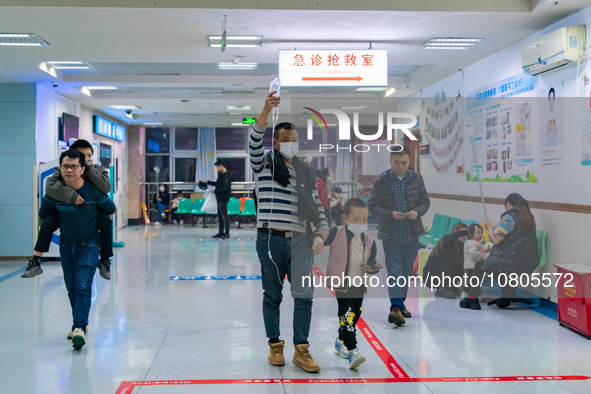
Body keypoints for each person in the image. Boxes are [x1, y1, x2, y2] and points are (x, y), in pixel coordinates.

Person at [249, 91, 329, 373]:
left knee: (304, 296)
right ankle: (275, 346)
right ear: (275, 142)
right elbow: (253, 141)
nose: (290, 145)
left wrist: (321, 232)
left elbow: (318, 207)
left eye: (294, 141)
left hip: (302, 241)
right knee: (272, 296)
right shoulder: (264, 164)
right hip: (270, 239)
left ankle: (301, 350)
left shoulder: (307, 172)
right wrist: (265, 110)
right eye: (284, 140)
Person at [39, 149, 116, 349]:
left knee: (83, 285)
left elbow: (110, 208)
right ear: (60, 168)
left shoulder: (92, 190)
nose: (69, 170)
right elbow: (43, 214)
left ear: (83, 169)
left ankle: (79, 327)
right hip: (66, 245)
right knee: (72, 288)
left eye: (74, 166)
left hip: (89, 245)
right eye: (66, 166)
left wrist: (101, 224)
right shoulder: (56, 191)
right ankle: (80, 323)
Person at [22, 139, 114, 280]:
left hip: (92, 209)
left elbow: (106, 187)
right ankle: (35, 261)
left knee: (106, 223)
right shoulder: (63, 170)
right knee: (48, 222)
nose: (87, 158)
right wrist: (71, 195)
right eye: (84, 155)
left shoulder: (97, 170)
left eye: (89, 155)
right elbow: (51, 186)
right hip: (67, 210)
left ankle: (105, 260)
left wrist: (89, 170)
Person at [368, 146, 430, 325]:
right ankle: (395, 308)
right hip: (391, 234)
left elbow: (425, 202)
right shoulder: (382, 181)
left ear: (409, 162)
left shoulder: (416, 179)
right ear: (390, 162)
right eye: (397, 163)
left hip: (411, 233)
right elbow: (373, 205)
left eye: (404, 163)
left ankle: (400, 306)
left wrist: (417, 212)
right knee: (394, 271)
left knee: (406, 272)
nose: (401, 167)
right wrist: (390, 214)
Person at [317, 198, 381, 369]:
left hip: (359, 284)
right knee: (347, 315)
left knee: (355, 314)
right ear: (345, 218)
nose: (361, 223)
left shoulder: (369, 240)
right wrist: (317, 239)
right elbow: (322, 235)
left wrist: (373, 268)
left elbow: (372, 260)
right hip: (342, 284)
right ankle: (353, 350)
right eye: (356, 219)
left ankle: (340, 341)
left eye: (365, 220)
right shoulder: (336, 232)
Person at [460, 193, 539, 310]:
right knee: (495, 266)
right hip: (528, 262)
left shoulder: (509, 218)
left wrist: (490, 228)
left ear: (508, 203)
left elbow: (495, 239)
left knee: (480, 266)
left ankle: (472, 299)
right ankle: (508, 294)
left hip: (511, 262)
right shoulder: (528, 218)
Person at [422, 223, 468, 299]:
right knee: (459, 260)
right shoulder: (447, 239)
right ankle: (441, 288)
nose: (465, 236)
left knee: (462, 260)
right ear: (455, 232)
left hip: (439, 273)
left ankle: (449, 286)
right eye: (462, 233)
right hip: (430, 276)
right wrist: (470, 231)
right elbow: (452, 238)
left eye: (466, 234)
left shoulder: (460, 245)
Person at [200, 160, 232, 238]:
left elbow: (225, 188)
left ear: (221, 166)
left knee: (224, 216)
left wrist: (216, 191)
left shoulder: (226, 176)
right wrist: (208, 182)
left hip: (223, 199)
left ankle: (227, 233)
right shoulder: (221, 176)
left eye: (217, 167)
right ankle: (220, 232)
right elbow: (217, 184)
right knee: (220, 216)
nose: (217, 169)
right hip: (219, 198)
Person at [461, 223, 493, 298]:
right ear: (471, 234)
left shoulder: (474, 243)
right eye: (478, 232)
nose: (481, 234)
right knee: (473, 281)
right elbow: (474, 253)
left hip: (472, 265)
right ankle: (466, 293)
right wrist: (483, 259)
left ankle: (473, 293)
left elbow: (478, 250)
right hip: (472, 266)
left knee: (474, 281)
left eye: (481, 232)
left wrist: (485, 250)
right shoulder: (472, 243)